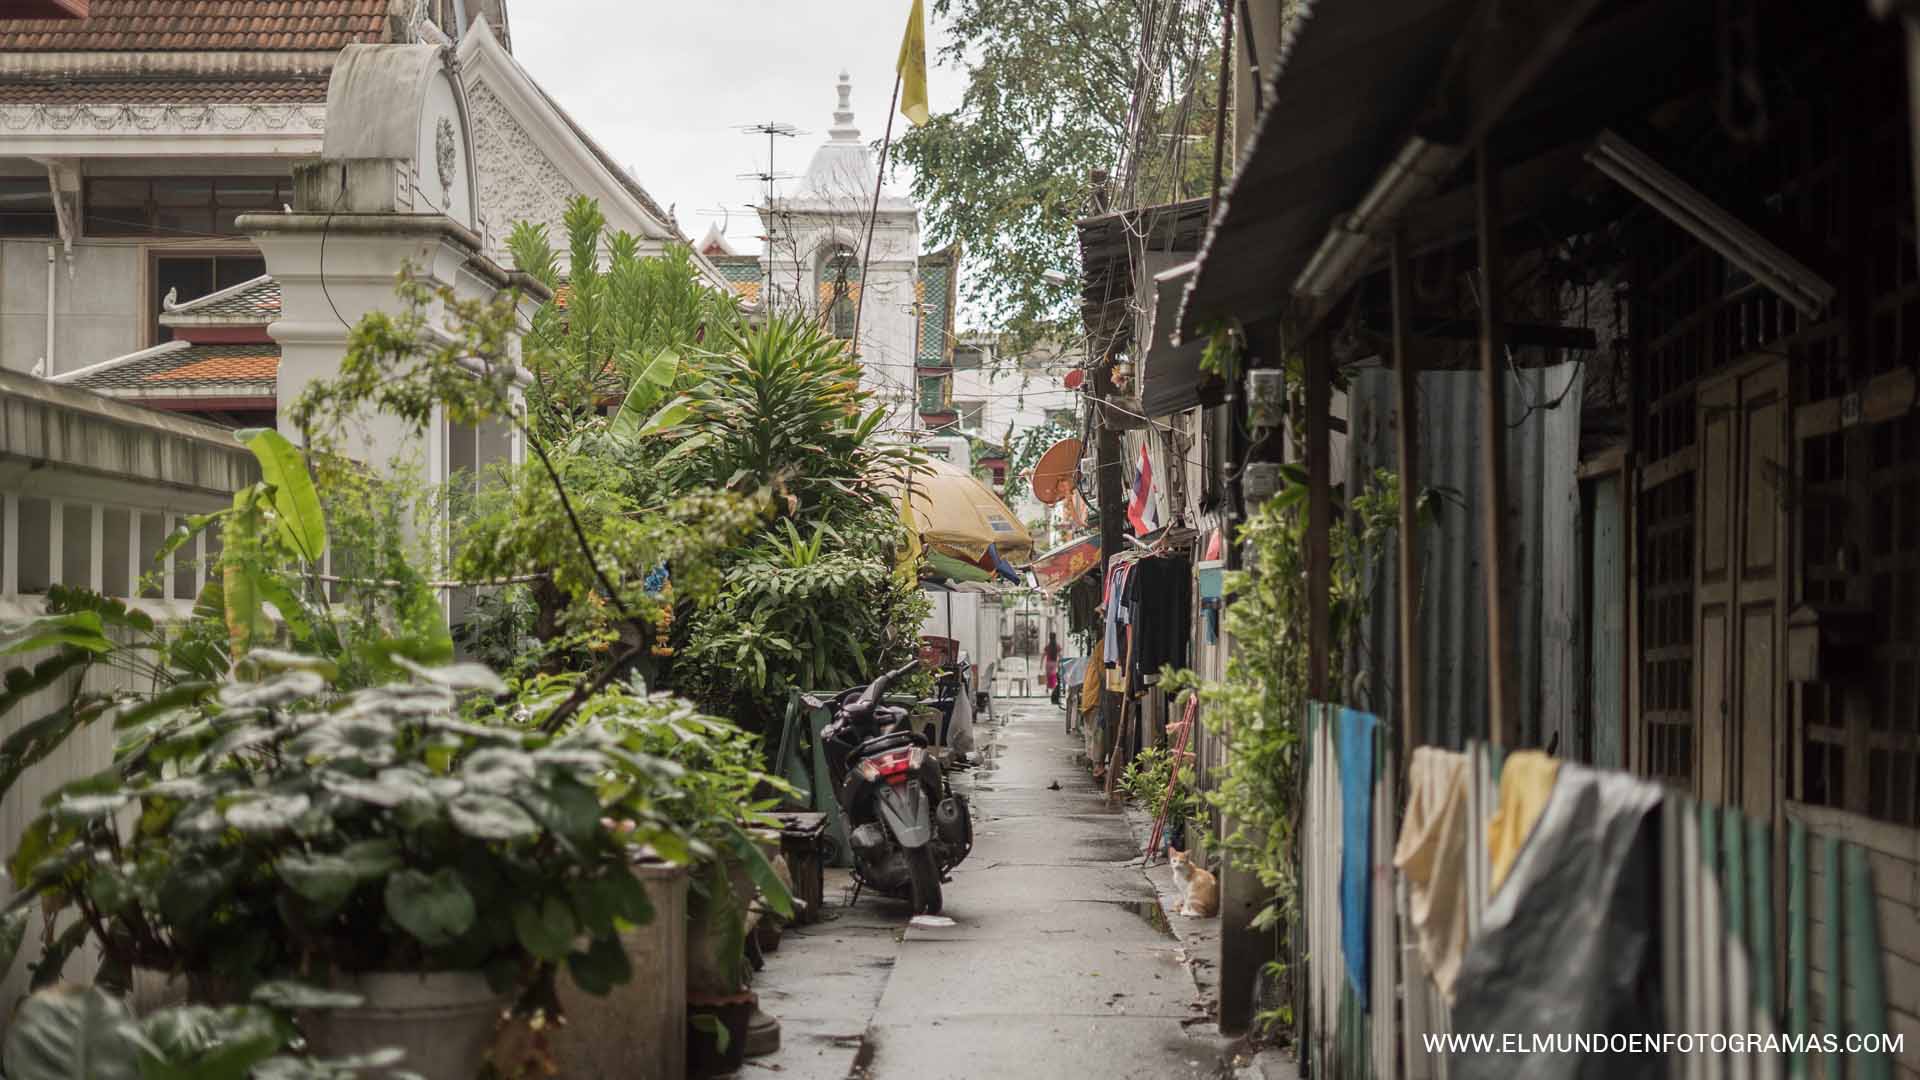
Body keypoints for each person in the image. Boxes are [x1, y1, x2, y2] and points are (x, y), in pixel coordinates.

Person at [1044, 633, 1062, 705]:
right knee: (1054, 676)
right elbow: (1059, 655)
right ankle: (1054, 688)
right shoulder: (1057, 646)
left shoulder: (1048, 646)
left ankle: (1047, 689)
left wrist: (1041, 664)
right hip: (1054, 663)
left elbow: (1043, 654)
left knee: (1048, 676)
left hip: (1048, 662)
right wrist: (1061, 661)